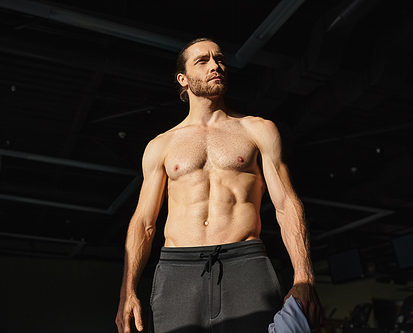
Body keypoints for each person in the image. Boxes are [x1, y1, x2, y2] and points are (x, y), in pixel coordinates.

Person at [115, 37, 322, 333]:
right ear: (183, 79)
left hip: (245, 263)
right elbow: (144, 222)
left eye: (220, 59)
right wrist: (127, 291)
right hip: (178, 269)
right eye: (203, 61)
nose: (216, 65)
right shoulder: (161, 145)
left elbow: (286, 204)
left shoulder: (257, 129)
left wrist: (304, 278)